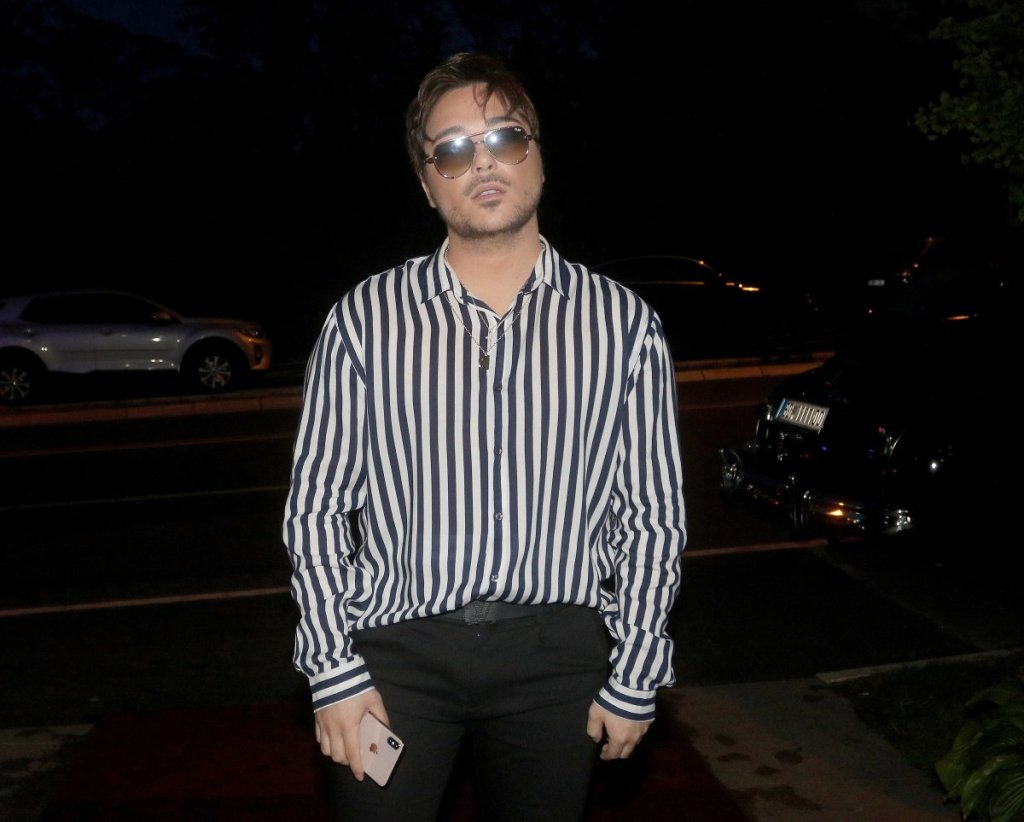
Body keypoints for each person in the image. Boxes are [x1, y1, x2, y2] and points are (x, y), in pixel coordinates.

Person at [282, 51, 686, 821]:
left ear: (538, 156)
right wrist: (333, 669)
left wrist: (636, 667)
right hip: (396, 655)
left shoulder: (624, 325)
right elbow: (317, 508)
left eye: (505, 137)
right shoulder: (365, 319)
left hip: (557, 658)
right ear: (427, 183)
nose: (483, 161)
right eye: (453, 149)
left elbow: (650, 515)